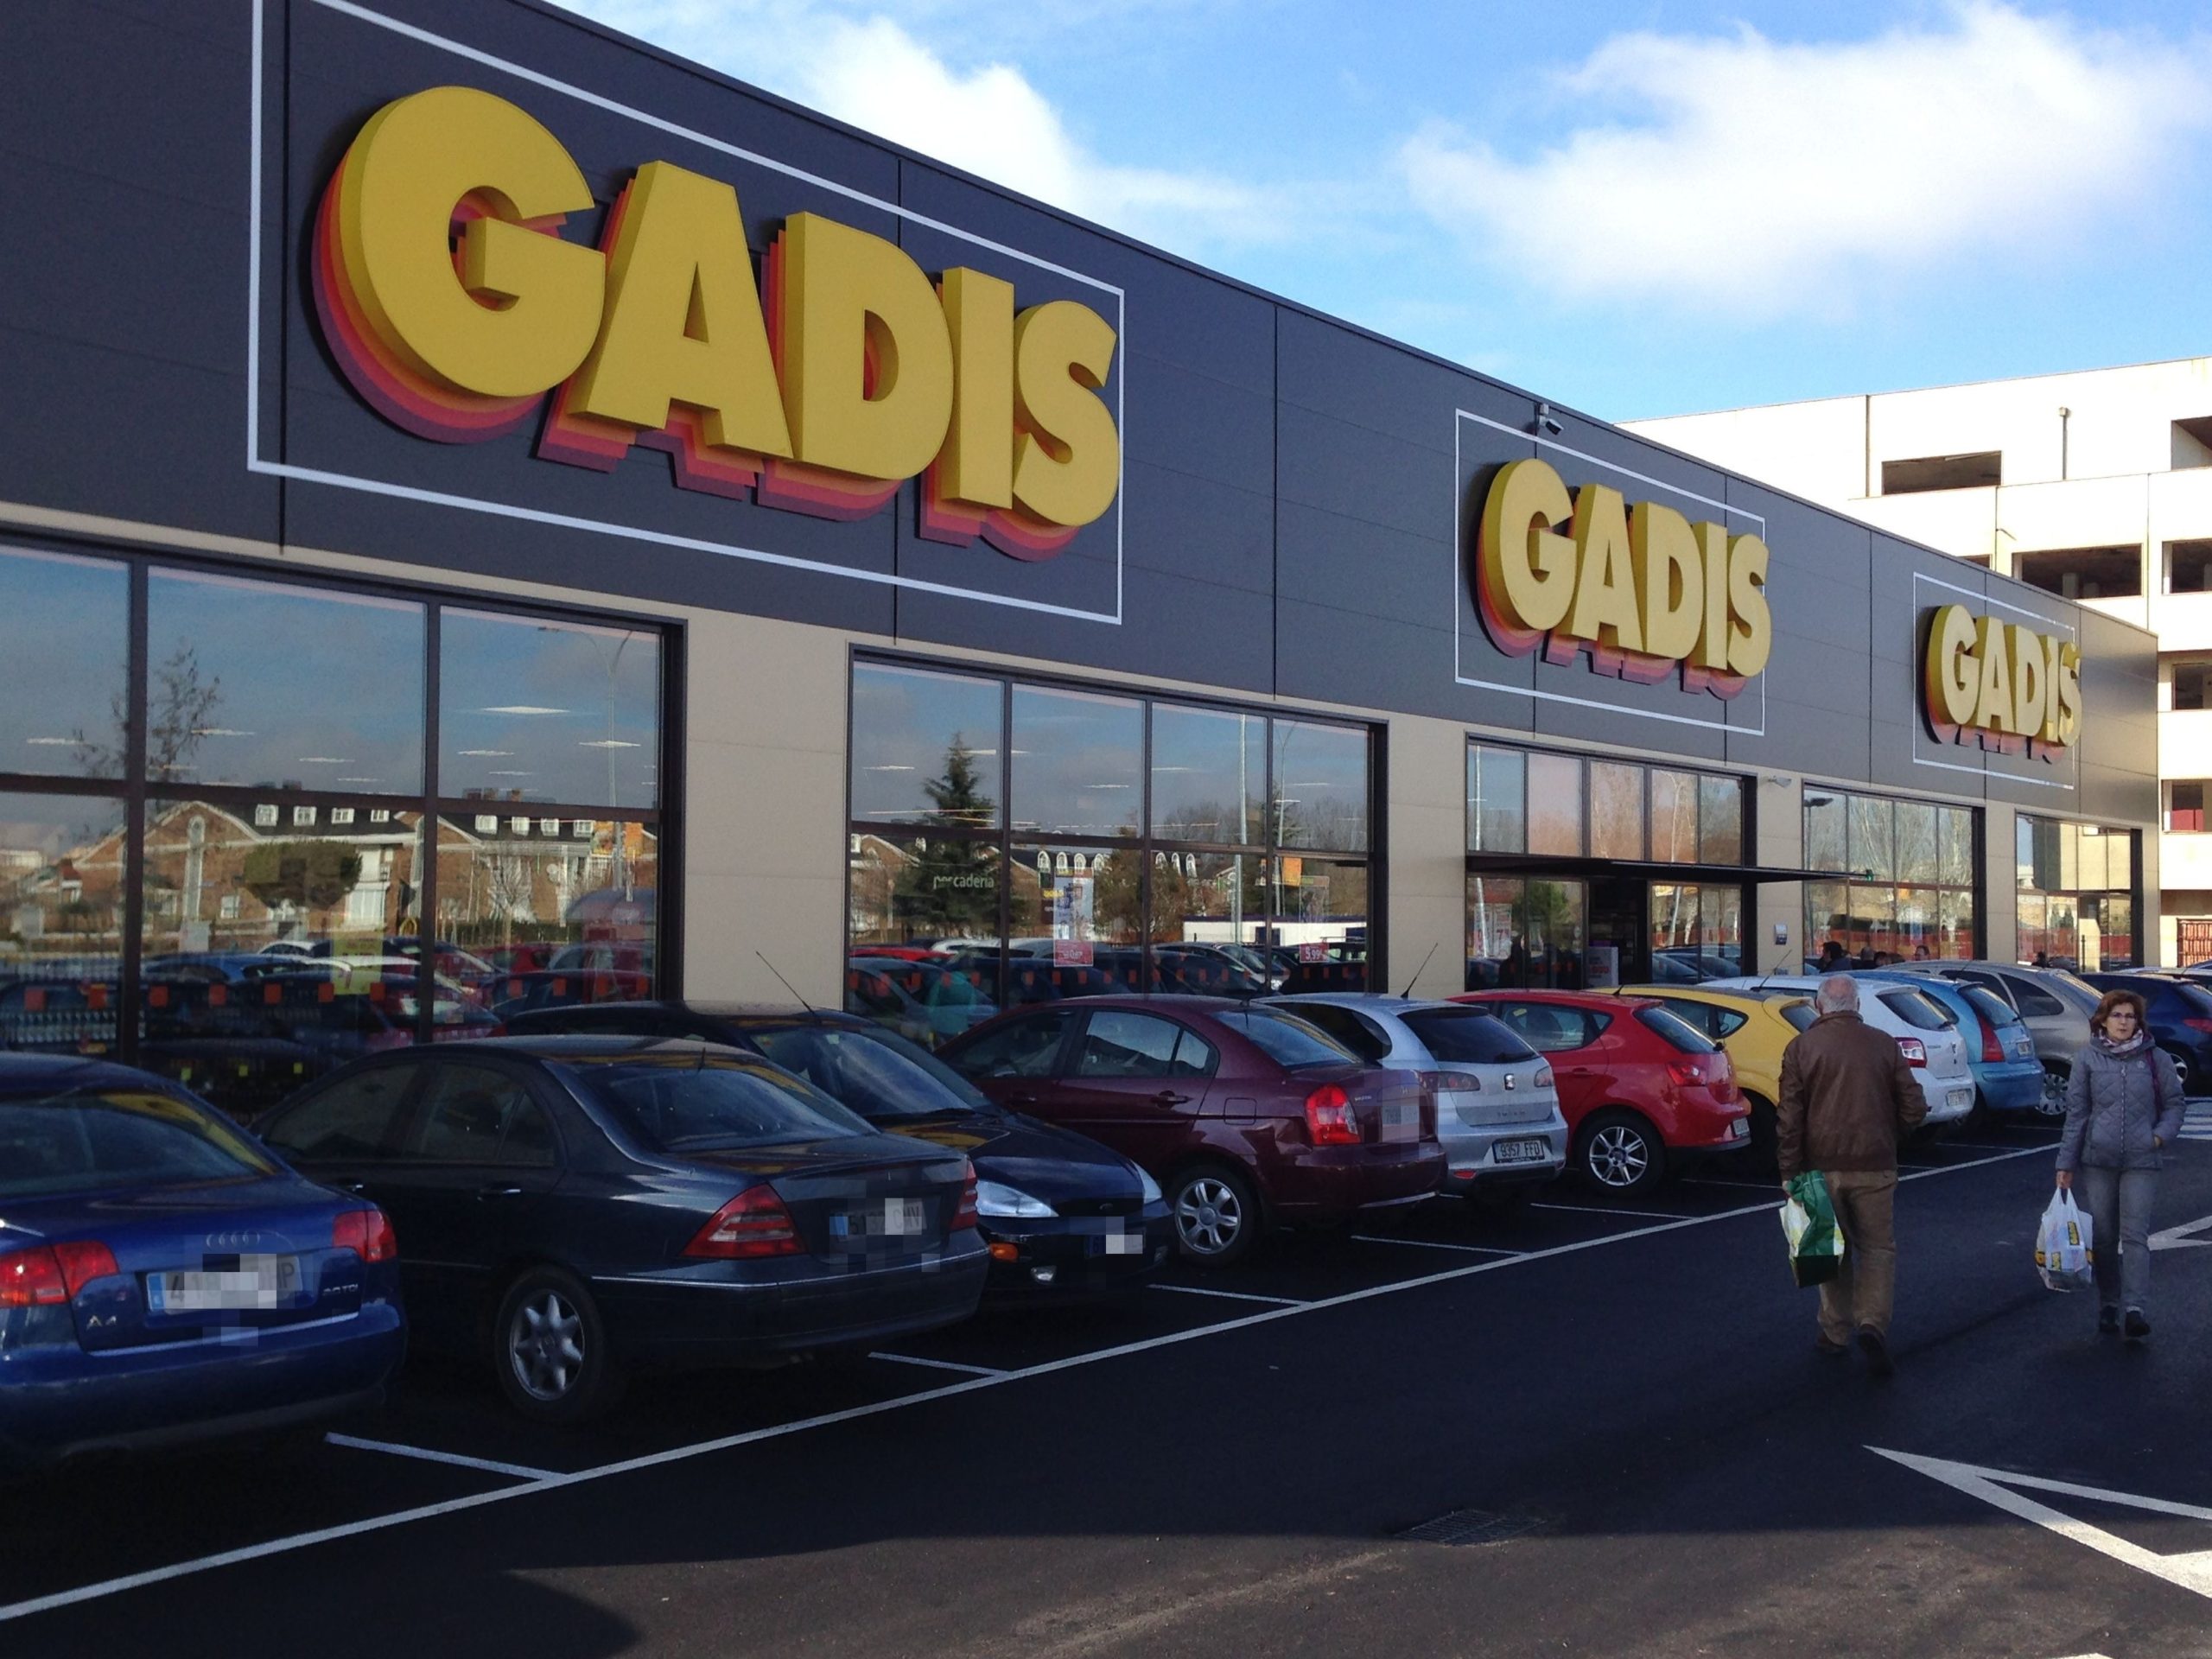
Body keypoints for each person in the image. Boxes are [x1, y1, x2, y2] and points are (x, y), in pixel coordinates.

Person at [1777, 974, 1928, 1376]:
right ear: (1857, 1006)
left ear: (1819, 1006)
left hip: (1819, 1168)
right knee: (1877, 1249)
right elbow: (1914, 1106)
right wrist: (1892, 1135)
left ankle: (1835, 1331)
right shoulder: (1884, 1044)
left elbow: (1790, 1117)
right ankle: (1872, 1323)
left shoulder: (1801, 1047)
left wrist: (1789, 1170)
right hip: (1875, 1164)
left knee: (1829, 1251)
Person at [2056, 988, 2183, 1342]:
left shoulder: (2156, 1059)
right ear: (2103, 1020)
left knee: (2135, 1236)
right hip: (2099, 1160)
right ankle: (2109, 1303)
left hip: (2142, 1160)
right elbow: (2077, 1114)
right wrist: (2065, 1163)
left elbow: (2175, 1104)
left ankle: (2135, 1309)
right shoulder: (2087, 1059)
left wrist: (2158, 1137)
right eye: (2117, 1016)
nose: (2124, 1023)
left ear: (2138, 1022)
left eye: (2130, 1016)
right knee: (2104, 1237)